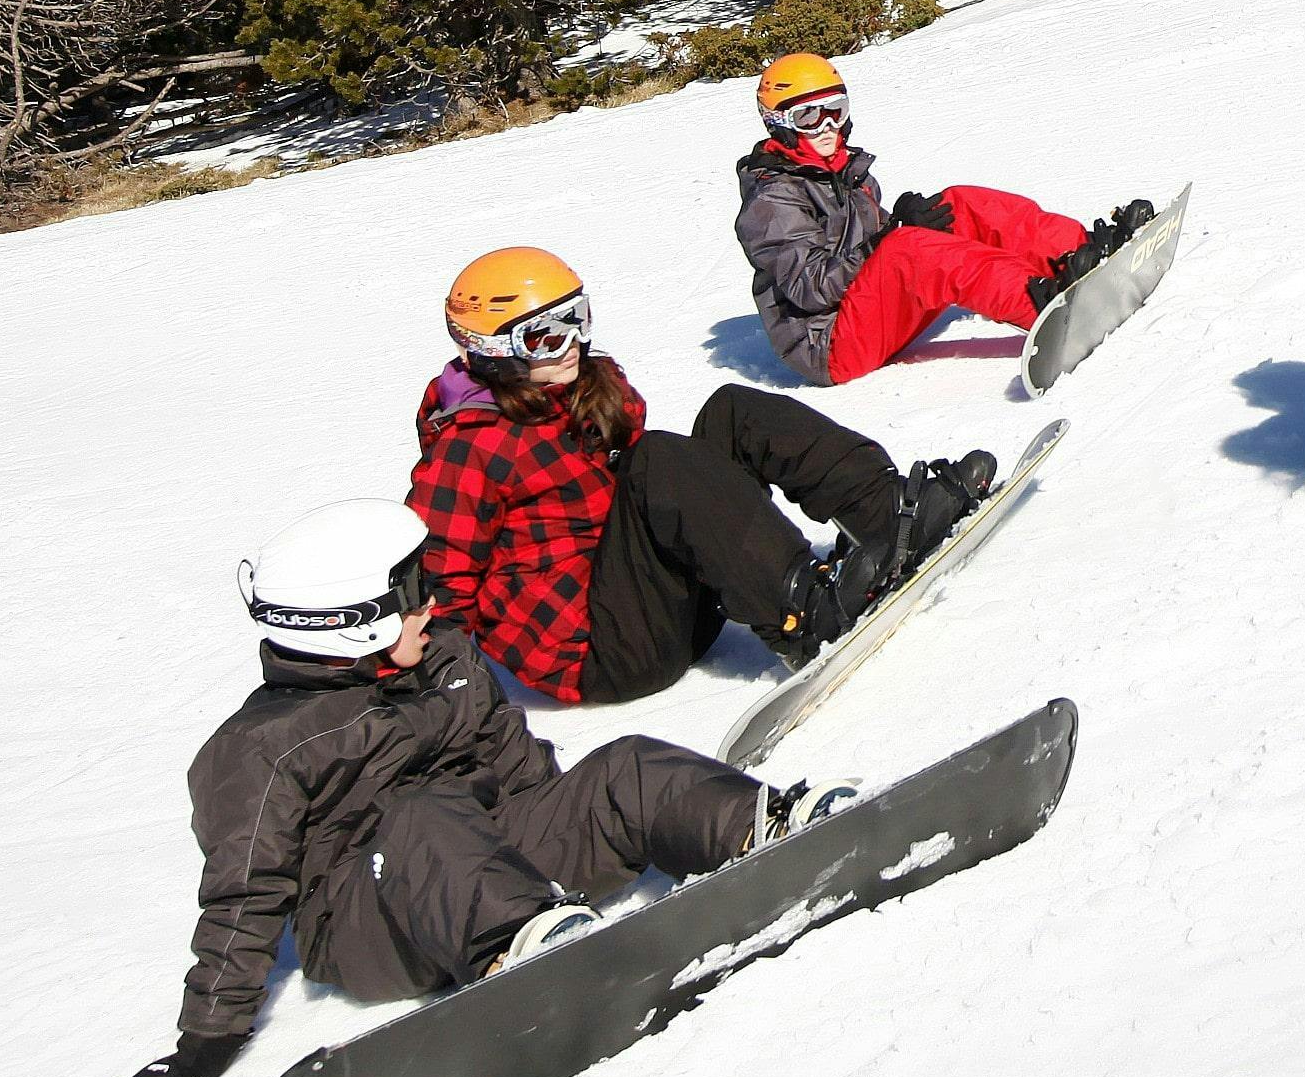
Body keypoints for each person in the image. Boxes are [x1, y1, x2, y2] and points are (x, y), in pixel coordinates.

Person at [65, 497, 843, 1077]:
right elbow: (243, 894)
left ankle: (764, 827)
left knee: (623, 766)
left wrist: (585, 819)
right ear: (351, 620)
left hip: (483, 859)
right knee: (418, 813)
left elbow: (522, 773)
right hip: (368, 918)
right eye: (410, 589)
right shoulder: (260, 750)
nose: (431, 600)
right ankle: (522, 952)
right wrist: (202, 1047)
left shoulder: (444, 659)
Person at [411, 245, 998, 707]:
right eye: (546, 335)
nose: (572, 345)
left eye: (577, 320)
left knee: (729, 413)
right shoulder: (467, 449)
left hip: (662, 609)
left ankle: (884, 512)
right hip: (605, 652)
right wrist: (448, 704)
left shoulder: (577, 388)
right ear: (490, 349)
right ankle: (803, 614)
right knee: (658, 460)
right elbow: (437, 584)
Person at [733, 51, 1154, 386]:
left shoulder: (842, 170)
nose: (827, 126)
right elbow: (810, 287)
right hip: (829, 344)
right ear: (778, 124)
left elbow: (871, 253)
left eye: (836, 110)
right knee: (909, 248)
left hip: (861, 312)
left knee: (954, 205)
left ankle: (1077, 253)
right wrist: (891, 236)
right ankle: (1039, 303)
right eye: (808, 117)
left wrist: (902, 224)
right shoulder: (772, 201)